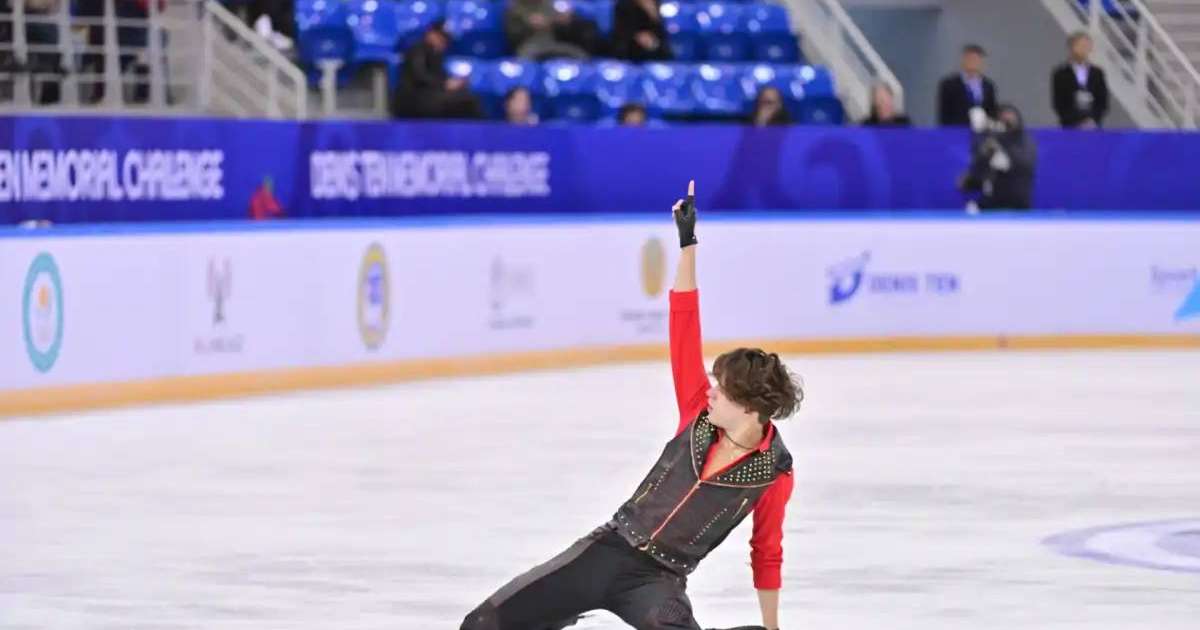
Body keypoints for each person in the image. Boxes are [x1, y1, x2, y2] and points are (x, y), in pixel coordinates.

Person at [459, 181, 803, 630]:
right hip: (606, 550)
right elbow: (684, 318)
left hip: (657, 581)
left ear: (751, 408)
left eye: (723, 389)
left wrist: (772, 626)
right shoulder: (697, 410)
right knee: (482, 625)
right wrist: (687, 245)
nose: (711, 391)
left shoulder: (774, 472)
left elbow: (767, 550)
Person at [391, 21, 483, 120]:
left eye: (445, 40)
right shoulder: (417, 49)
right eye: (440, 37)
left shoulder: (436, 54)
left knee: (468, 97)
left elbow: (439, 76)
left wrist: (455, 83)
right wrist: (445, 84)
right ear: (431, 33)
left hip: (430, 95)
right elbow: (420, 77)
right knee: (466, 101)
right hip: (413, 98)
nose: (443, 42)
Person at [959, 104, 1036, 211]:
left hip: (1017, 204)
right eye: (1002, 119)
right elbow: (979, 170)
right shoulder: (993, 140)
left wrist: (1006, 158)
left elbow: (1023, 165)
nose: (1005, 123)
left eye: (1009, 121)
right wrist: (969, 181)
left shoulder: (1025, 143)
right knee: (971, 210)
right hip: (992, 202)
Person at [505, 0, 600, 61]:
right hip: (529, 44)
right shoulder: (515, 7)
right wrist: (529, 26)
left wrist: (564, 22)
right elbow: (512, 35)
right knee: (524, 60)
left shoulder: (549, 4)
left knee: (580, 55)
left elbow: (565, 32)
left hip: (553, 42)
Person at [1052, 32, 1109, 129]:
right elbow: (1059, 103)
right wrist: (1076, 121)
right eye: (1081, 45)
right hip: (1069, 125)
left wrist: (1092, 120)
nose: (1084, 49)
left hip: (1093, 126)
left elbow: (1102, 101)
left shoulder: (1097, 73)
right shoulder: (1060, 73)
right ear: (1071, 47)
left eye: (1087, 46)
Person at [938, 44, 998, 126]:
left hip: (982, 133)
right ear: (963, 60)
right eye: (970, 59)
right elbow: (944, 114)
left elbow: (992, 111)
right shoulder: (949, 84)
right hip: (958, 131)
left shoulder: (988, 85)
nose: (973, 63)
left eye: (976, 59)